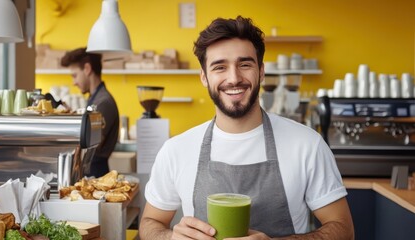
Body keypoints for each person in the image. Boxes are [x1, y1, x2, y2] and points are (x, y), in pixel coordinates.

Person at [139, 16, 354, 240]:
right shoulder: (176, 150)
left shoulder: (307, 145)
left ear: (261, 71)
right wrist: (169, 238)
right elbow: (150, 223)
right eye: (220, 67)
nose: (234, 78)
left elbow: (343, 229)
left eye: (244, 64)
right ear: (204, 77)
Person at [61, 47, 119, 178]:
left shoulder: (103, 102)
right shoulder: (94, 99)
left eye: (75, 75)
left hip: (96, 172)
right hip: (90, 169)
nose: (74, 82)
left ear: (87, 69)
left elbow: (92, 145)